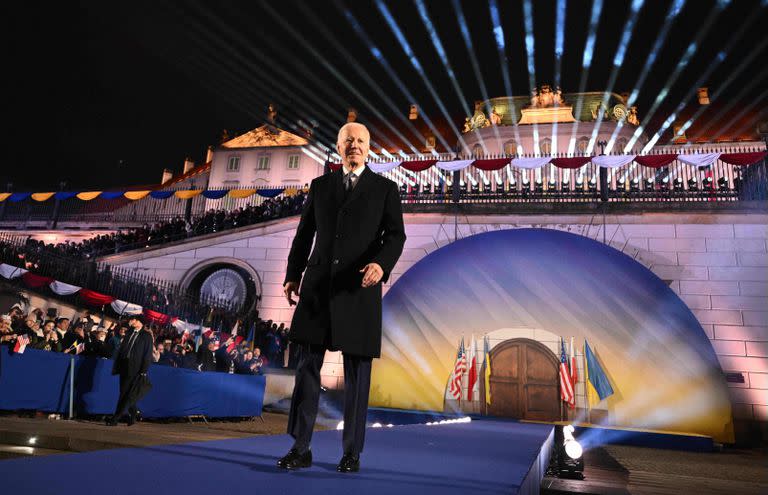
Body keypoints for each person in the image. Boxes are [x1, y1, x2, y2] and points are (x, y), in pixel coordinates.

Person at [278, 122, 406, 472]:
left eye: (361, 141)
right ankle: (300, 448)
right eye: (348, 140)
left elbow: (396, 236)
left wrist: (381, 264)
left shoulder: (385, 189)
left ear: (369, 148)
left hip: (359, 289)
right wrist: (293, 274)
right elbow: (304, 235)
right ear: (338, 146)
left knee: (357, 379)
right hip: (318, 289)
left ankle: (352, 452)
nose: (355, 145)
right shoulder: (320, 187)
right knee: (306, 371)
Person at [107, 315, 153, 426]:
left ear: (140, 322)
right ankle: (134, 413)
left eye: (134, 320)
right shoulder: (129, 332)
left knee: (124, 393)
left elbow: (147, 354)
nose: (131, 321)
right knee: (125, 393)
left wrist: (143, 370)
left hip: (135, 368)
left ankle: (115, 418)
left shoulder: (146, 336)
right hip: (123, 365)